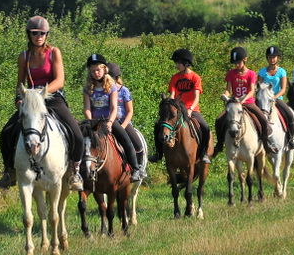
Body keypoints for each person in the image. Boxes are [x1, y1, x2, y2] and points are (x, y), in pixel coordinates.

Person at [0, 16, 84, 191]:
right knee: (6, 132)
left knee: (77, 133)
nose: (39, 36)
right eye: (35, 33)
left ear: (47, 35)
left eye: (42, 33)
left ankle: (74, 172)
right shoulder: (23, 57)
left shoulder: (54, 52)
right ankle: (9, 172)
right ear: (29, 34)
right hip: (31, 101)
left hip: (53, 98)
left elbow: (60, 81)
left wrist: (41, 93)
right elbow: (20, 84)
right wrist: (19, 99)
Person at [83, 54, 143, 182]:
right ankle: (77, 171)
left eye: (98, 70)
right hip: (94, 121)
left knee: (126, 141)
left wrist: (110, 123)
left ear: (104, 69)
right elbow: (87, 108)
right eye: (93, 71)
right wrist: (90, 122)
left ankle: (136, 169)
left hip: (109, 120)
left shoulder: (111, 87)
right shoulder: (88, 88)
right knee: (80, 139)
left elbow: (114, 108)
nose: (96, 73)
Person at [212, 46, 279, 156]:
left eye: (238, 62)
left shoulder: (251, 74)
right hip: (234, 105)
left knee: (263, 120)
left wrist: (243, 100)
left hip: (249, 103)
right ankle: (219, 145)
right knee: (219, 119)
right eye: (235, 63)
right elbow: (228, 90)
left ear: (245, 60)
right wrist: (225, 95)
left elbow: (252, 91)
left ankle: (266, 144)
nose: (236, 65)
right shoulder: (231, 73)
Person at [149, 48, 211, 164]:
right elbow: (172, 94)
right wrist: (169, 104)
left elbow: (196, 97)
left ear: (186, 63)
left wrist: (191, 109)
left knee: (205, 127)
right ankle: (159, 153)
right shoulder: (175, 78)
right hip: (176, 110)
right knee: (158, 125)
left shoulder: (195, 78)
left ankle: (203, 154)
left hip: (191, 109)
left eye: (178, 63)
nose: (176, 65)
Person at [258, 45, 294, 150]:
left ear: (278, 58)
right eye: (270, 57)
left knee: (290, 115)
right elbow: (259, 87)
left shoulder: (282, 72)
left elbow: (283, 89)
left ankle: (290, 140)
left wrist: (274, 98)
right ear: (267, 58)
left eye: (274, 57)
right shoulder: (262, 72)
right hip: (264, 101)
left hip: (277, 100)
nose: (272, 59)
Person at [107, 62, 147, 172]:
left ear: (114, 77)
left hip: (123, 122)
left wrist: (123, 126)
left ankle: (139, 169)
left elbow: (130, 111)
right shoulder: (104, 90)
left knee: (138, 145)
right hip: (109, 121)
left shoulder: (124, 91)